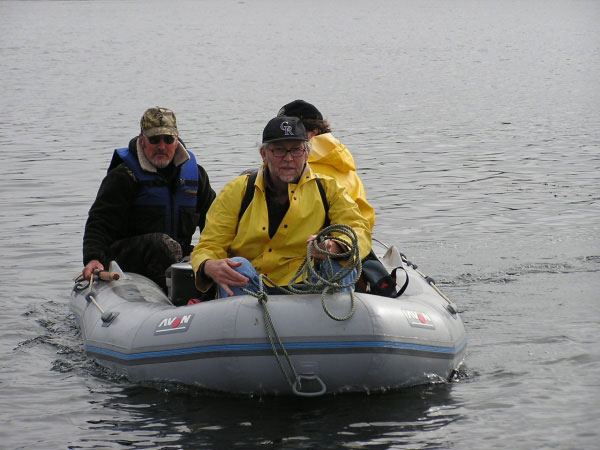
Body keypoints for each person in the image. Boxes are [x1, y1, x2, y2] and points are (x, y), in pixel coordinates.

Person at [190, 116, 371, 298]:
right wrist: (208, 265)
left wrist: (336, 246)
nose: (288, 158)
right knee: (236, 265)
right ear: (264, 154)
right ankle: (248, 324)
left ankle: (336, 323)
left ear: (307, 153)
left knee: (340, 261)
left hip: (309, 286)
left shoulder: (329, 189)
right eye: (279, 151)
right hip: (254, 287)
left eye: (296, 150)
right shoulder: (237, 190)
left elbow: (358, 229)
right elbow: (210, 243)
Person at [81, 107, 216, 290]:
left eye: (168, 140)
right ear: (142, 141)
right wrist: (93, 258)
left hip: (176, 259)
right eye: (154, 140)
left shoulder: (196, 176)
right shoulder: (124, 176)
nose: (161, 146)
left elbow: (216, 222)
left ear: (176, 141)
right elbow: (99, 221)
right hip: (127, 259)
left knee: (207, 255)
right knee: (161, 246)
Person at [277, 100, 375, 232]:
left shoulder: (288, 167)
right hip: (352, 241)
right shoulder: (344, 165)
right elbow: (365, 220)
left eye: (289, 130)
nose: (282, 137)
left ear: (314, 132)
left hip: (312, 246)